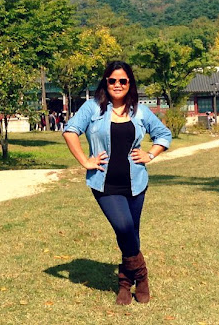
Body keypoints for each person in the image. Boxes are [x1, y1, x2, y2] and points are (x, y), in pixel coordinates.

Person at [63, 61, 172, 305]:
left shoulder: (140, 111)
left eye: (123, 80)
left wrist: (151, 154)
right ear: (106, 82)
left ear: (130, 83)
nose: (117, 85)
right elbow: (70, 131)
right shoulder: (93, 108)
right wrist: (85, 161)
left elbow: (164, 134)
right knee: (123, 226)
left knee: (132, 232)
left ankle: (125, 282)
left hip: (136, 182)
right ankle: (141, 276)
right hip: (104, 183)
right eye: (112, 80)